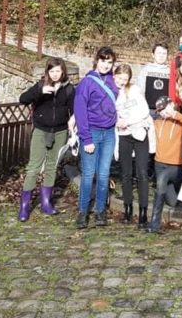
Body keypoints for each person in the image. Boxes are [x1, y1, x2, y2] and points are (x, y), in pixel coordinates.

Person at [17, 57, 75, 222]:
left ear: (63, 72)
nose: (55, 74)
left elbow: (74, 108)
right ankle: (24, 206)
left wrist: (73, 119)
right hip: (41, 131)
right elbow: (23, 99)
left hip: (60, 131)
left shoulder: (69, 89)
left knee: (51, 167)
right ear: (47, 72)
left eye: (58, 71)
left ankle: (46, 203)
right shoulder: (40, 86)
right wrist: (40, 92)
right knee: (33, 168)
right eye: (52, 71)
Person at [74, 46, 119, 229]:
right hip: (92, 132)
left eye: (109, 62)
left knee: (104, 173)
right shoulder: (86, 83)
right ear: (96, 60)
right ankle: (82, 211)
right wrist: (86, 139)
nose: (106, 65)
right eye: (103, 61)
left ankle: (100, 210)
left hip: (109, 133)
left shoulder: (113, 81)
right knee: (88, 174)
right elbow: (80, 111)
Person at [114, 63, 154, 228]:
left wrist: (128, 121)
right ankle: (127, 208)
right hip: (124, 136)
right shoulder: (113, 92)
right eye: (119, 78)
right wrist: (118, 122)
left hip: (138, 134)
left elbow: (144, 111)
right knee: (126, 173)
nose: (122, 82)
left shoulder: (134, 90)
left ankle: (143, 211)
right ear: (114, 76)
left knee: (142, 172)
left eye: (125, 79)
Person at [147, 96, 182, 233]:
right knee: (172, 201)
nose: (162, 113)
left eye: (164, 109)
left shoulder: (180, 120)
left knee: (161, 181)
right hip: (159, 163)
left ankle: (154, 223)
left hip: (175, 165)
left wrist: (174, 114)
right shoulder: (158, 121)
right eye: (159, 110)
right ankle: (180, 202)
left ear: (171, 105)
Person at [137, 43, 170, 114]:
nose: (161, 56)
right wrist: (142, 107)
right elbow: (140, 91)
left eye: (164, 53)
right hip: (147, 110)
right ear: (153, 55)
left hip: (164, 111)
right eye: (159, 53)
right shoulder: (145, 70)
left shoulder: (169, 72)